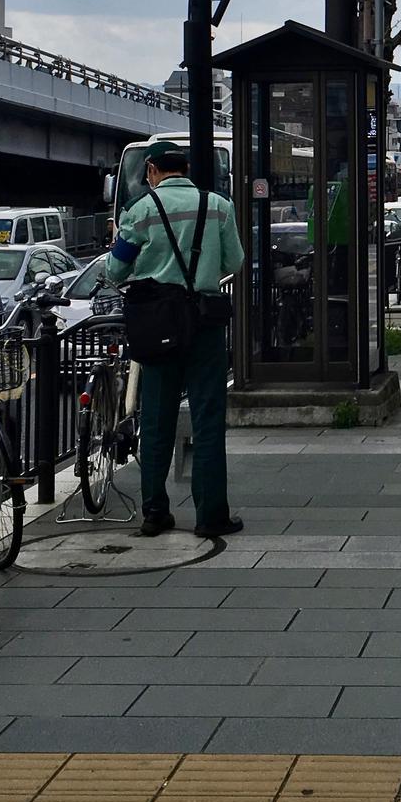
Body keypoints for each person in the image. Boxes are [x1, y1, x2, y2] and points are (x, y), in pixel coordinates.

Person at [104, 141, 245, 539]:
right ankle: (211, 515)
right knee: (207, 417)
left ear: (151, 171)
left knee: (157, 418)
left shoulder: (139, 211)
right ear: (185, 168)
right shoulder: (217, 205)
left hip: (158, 322)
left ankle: (154, 511)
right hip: (204, 321)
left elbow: (116, 269)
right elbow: (234, 262)